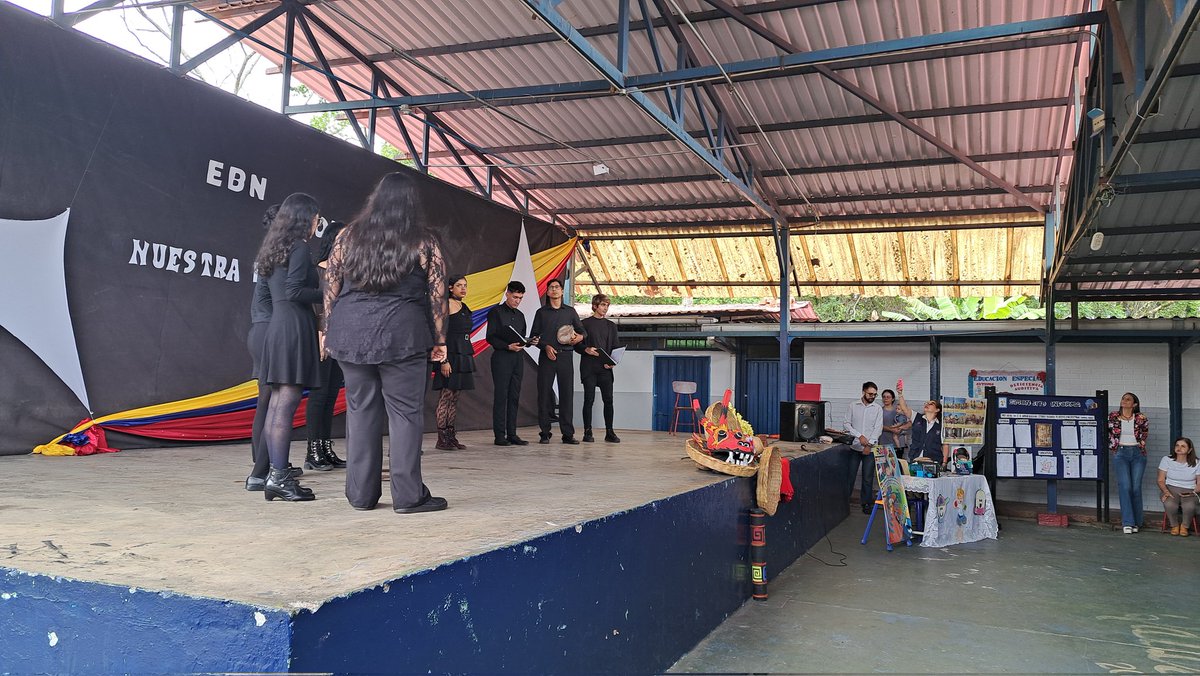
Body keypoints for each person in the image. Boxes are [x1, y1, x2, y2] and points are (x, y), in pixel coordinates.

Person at [324, 172, 449, 513]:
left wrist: (328, 330)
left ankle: (361, 496)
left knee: (360, 413)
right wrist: (440, 339)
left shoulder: (348, 236)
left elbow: (331, 285)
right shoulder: (423, 241)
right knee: (405, 415)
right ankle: (408, 497)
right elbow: (437, 293)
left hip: (350, 332)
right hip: (402, 333)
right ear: (412, 202)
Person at [254, 193, 323, 502]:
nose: (316, 224)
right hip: (294, 327)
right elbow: (296, 291)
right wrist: (328, 292)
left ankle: (275, 474)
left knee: (277, 404)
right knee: (286, 404)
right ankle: (280, 478)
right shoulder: (299, 248)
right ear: (303, 218)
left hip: (278, 328)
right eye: (314, 218)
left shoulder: (271, 249)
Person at [304, 219, 348, 472]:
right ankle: (312, 451)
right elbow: (318, 306)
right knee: (320, 394)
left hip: (340, 337)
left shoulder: (345, 271)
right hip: (321, 337)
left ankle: (325, 446)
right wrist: (322, 335)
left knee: (331, 393)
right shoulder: (319, 269)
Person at [245, 203, 284, 491]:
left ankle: (263, 464)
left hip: (260, 329)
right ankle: (261, 470)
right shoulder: (279, 255)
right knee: (272, 402)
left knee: (266, 402)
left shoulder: (265, 254)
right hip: (270, 329)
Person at [531, 279, 585, 444]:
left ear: (562, 291)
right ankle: (545, 432)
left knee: (566, 394)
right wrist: (545, 346)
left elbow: (582, 332)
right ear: (547, 292)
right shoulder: (541, 313)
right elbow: (534, 337)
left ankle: (567, 434)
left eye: (557, 287)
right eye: (551, 288)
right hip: (547, 357)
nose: (554, 290)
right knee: (544, 394)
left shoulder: (570, 312)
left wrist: (579, 338)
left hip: (565, 356)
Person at [486, 281, 536, 446]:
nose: (517, 301)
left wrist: (529, 342)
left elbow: (522, 337)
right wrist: (507, 346)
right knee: (501, 396)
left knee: (514, 396)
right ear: (507, 293)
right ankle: (499, 435)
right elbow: (491, 337)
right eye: (515, 297)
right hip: (502, 357)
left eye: (520, 298)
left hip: (517, 358)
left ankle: (512, 433)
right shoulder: (496, 312)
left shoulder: (520, 315)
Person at [432, 274, 475, 450]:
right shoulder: (446, 304)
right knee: (446, 396)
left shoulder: (464, 305)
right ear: (450, 288)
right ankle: (441, 438)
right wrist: (444, 361)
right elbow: (439, 333)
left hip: (463, 353)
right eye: (459, 285)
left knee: (455, 397)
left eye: (465, 285)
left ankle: (450, 436)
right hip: (449, 355)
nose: (463, 288)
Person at [827, 381, 882, 513]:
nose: (872, 396)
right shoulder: (853, 405)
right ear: (863, 391)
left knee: (868, 478)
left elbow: (878, 428)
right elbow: (847, 424)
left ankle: (866, 503)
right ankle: (844, 502)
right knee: (850, 475)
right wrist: (859, 436)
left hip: (870, 448)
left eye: (875, 394)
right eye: (870, 394)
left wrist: (869, 444)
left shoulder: (877, 408)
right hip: (854, 447)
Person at [576, 293, 620, 443]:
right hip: (589, 368)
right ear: (595, 306)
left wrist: (612, 362)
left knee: (609, 400)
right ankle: (587, 432)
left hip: (605, 368)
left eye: (607, 305)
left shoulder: (611, 326)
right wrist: (586, 350)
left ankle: (610, 432)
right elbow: (577, 345)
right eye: (602, 305)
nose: (605, 308)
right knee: (589, 400)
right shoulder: (584, 324)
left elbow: (615, 347)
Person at [1108, 392, 1150, 534]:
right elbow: (1108, 433)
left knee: (1135, 488)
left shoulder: (1141, 418)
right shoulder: (1113, 416)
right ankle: (1127, 522)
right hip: (1121, 453)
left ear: (1135, 404)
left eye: (1128, 399)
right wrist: (1113, 447)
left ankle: (1137, 522)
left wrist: (1140, 445)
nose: (1124, 401)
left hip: (1138, 453)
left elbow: (1144, 434)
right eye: (1123, 398)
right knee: (1125, 486)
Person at [1157, 437, 1199, 536]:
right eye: (1177, 445)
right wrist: (1166, 491)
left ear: (1189, 450)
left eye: (1183, 446)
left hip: (1190, 489)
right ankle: (1174, 525)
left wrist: (1192, 492)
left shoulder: (1197, 462)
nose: (1179, 448)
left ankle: (1185, 526)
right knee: (1170, 504)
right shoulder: (1166, 459)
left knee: (1189, 506)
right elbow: (1160, 480)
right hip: (1170, 488)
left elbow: (1199, 483)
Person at [897, 386, 948, 468]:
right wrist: (900, 394)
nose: (927, 404)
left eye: (931, 404)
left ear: (937, 410)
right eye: (926, 403)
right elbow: (904, 408)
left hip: (933, 460)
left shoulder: (942, 425)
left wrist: (944, 463)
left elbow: (945, 445)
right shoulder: (917, 417)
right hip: (915, 458)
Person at [879, 389, 910, 459]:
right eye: (884, 397)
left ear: (893, 399)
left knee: (898, 465)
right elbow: (877, 425)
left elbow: (908, 422)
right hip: (884, 441)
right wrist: (891, 429)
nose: (885, 399)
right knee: (885, 466)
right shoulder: (879, 410)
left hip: (898, 443)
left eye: (888, 397)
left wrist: (901, 428)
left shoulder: (899, 410)